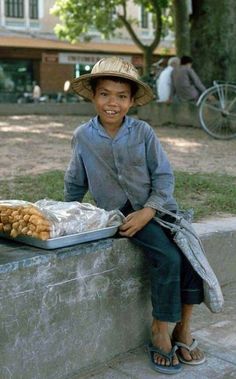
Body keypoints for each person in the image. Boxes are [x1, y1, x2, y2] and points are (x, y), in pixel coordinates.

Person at [64, 56, 206, 375]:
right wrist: (65, 219)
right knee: (169, 258)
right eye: (104, 94)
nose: (112, 103)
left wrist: (150, 209)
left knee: (190, 250)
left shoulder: (142, 132)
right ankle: (160, 329)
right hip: (122, 215)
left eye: (121, 96)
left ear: (130, 101)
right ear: (93, 96)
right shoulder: (83, 137)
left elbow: (164, 177)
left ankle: (183, 329)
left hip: (157, 207)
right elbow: (75, 180)